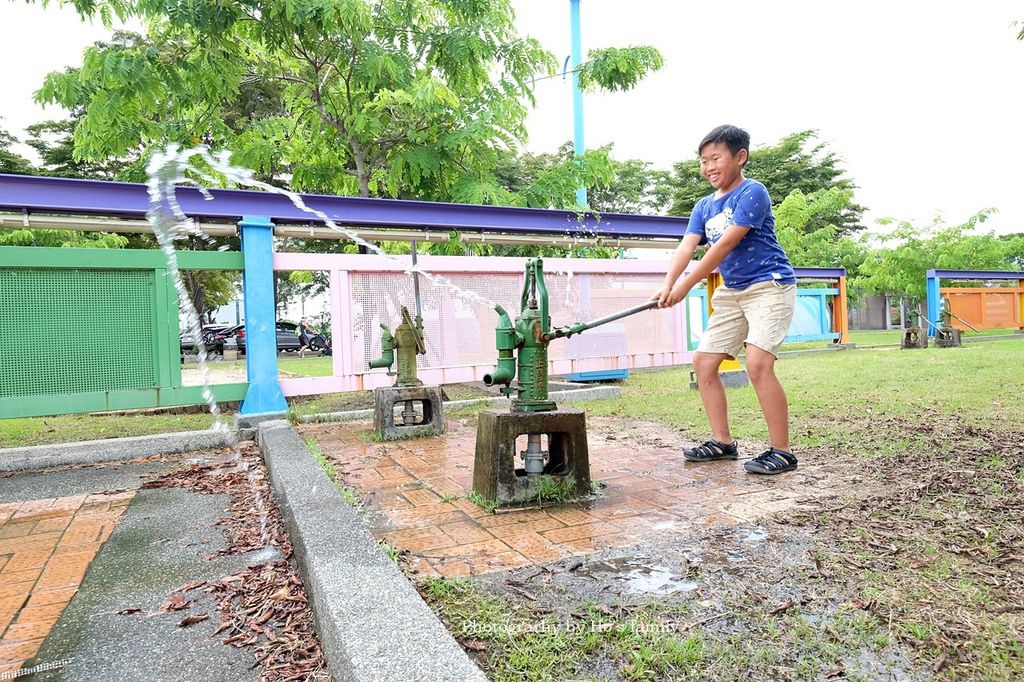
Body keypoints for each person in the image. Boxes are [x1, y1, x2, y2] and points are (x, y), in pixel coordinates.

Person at [652, 125, 799, 475]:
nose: (708, 167)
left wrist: (685, 286)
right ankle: (722, 442)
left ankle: (782, 451)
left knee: (758, 365)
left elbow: (725, 245)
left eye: (715, 158)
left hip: (769, 285)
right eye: (703, 161)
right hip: (733, 291)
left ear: (740, 156)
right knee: (703, 363)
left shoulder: (753, 192)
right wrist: (668, 283)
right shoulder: (703, 206)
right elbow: (687, 246)